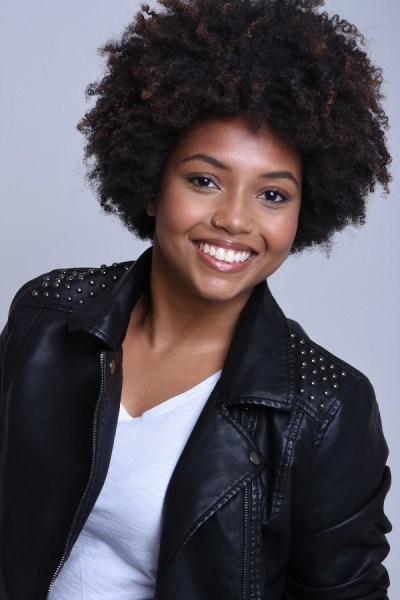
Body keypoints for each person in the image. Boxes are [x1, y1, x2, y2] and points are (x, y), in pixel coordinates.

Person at [0, 0, 392, 598]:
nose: (234, 219)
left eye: (273, 195)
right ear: (152, 185)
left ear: (304, 213)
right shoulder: (48, 314)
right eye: (204, 180)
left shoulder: (327, 407)